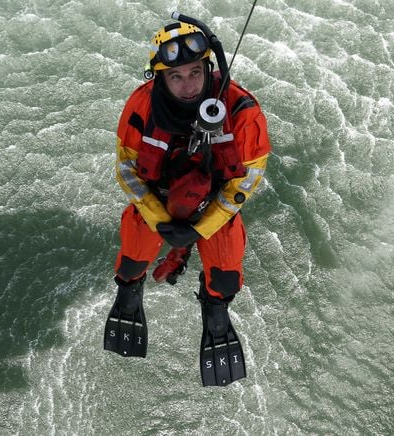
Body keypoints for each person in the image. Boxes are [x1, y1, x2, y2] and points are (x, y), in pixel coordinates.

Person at [102, 18, 271, 387]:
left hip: (214, 209)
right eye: (175, 76)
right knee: (131, 261)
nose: (188, 85)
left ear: (208, 68)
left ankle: (215, 309)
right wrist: (160, 219)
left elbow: (250, 176)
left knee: (225, 277)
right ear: (159, 78)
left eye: (195, 72)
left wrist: (199, 227)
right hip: (155, 205)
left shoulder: (241, 110)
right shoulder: (141, 105)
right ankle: (130, 291)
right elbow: (126, 168)